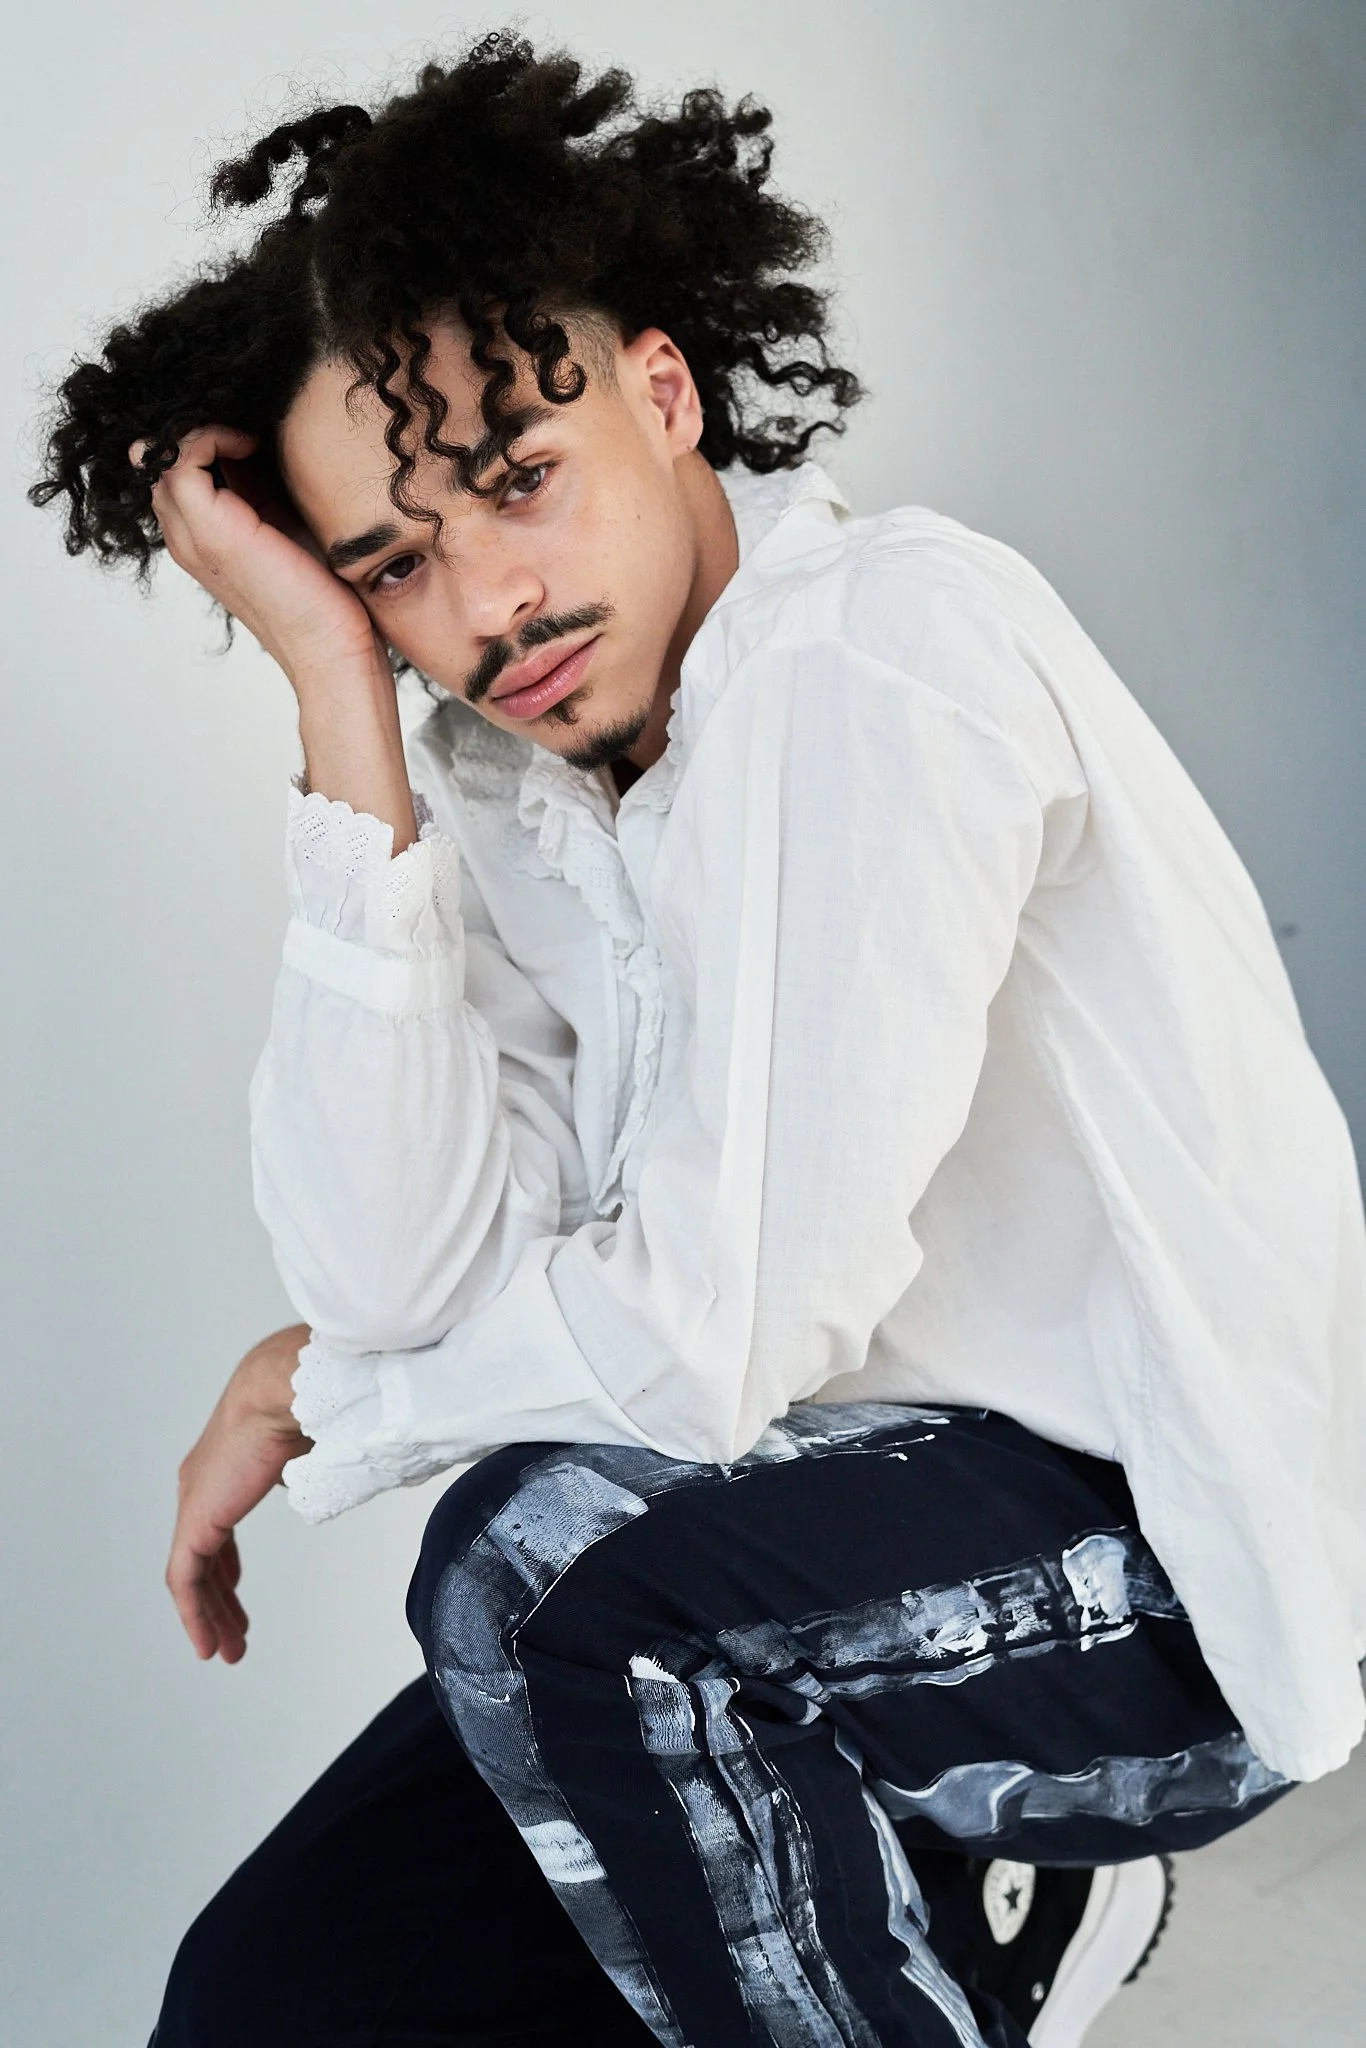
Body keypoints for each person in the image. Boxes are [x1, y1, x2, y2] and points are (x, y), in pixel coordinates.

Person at [30, 31, 1366, 2048]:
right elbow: (418, 1271)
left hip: (1162, 1579)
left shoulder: (878, 646)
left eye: (516, 481)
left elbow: (721, 1319)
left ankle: (1009, 1879)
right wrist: (339, 713)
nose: (487, 601)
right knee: (270, 1991)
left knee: (539, 1575)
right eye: (394, 566)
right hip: (781, 1561)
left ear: (659, 393)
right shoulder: (507, 774)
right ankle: (946, 1889)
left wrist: (342, 1399)